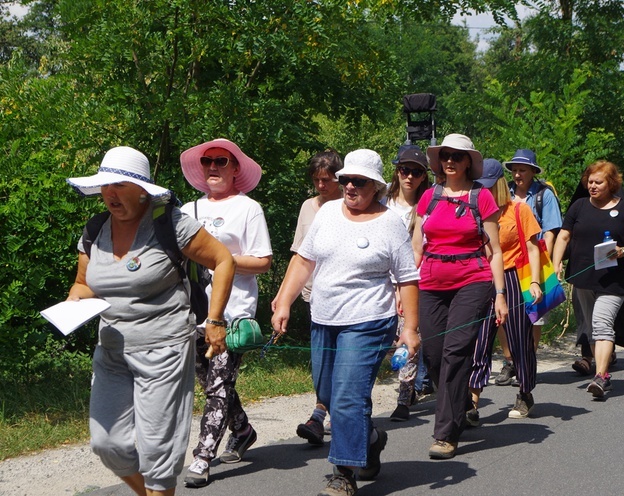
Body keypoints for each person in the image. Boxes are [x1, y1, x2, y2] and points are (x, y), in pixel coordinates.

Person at [66, 146, 235, 496]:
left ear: (142, 190)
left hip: (165, 350)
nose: (110, 193)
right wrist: (71, 304)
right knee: (107, 444)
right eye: (105, 185)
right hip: (112, 351)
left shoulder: (169, 223)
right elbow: (83, 284)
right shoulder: (95, 229)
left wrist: (216, 320)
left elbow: (223, 260)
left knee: (157, 453)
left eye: (120, 185)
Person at [271, 149, 420, 496]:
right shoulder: (325, 213)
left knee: (347, 398)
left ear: (377, 186)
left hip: (368, 321)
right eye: (346, 180)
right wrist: (284, 303)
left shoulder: (389, 224)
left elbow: (408, 278)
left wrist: (409, 329)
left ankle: (344, 474)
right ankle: (368, 439)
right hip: (324, 318)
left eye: (359, 181)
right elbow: (304, 261)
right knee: (327, 393)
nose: (350, 186)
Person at [179, 138, 273, 488]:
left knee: (218, 386)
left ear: (236, 169)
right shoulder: (188, 210)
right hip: (191, 312)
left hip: (231, 313)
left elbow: (263, 261)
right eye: (207, 162)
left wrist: (223, 261)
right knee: (211, 383)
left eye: (221, 161)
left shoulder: (248, 209)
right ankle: (243, 430)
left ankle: (202, 458)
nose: (213, 167)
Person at [414, 134, 508, 459]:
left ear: (468, 161)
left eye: (456, 155)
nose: (450, 161)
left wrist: (500, 294)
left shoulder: (482, 198)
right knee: (435, 354)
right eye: (445, 155)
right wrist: (405, 289)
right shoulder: (428, 197)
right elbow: (416, 245)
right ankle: (461, 403)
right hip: (430, 282)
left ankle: (445, 434)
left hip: (473, 279)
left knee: (456, 351)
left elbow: (496, 252)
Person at [552, 160, 624, 397]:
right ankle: (600, 370)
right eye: (590, 182)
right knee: (592, 327)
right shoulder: (579, 207)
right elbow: (563, 236)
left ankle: (601, 376)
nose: (592, 186)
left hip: (613, 280)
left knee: (602, 324)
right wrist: (555, 264)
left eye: (598, 182)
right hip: (582, 277)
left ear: (611, 183)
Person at [468, 158, 542, 424]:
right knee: (479, 340)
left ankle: (524, 391)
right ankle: (472, 403)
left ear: (499, 184)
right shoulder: (474, 210)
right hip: (482, 277)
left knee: (520, 340)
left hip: (513, 277)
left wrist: (535, 282)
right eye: (480, 186)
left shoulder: (518, 210)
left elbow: (533, 248)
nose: (483, 191)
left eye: (488, 186)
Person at [285, 149, 344, 446]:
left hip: (345, 295)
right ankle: (324, 410)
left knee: (341, 355)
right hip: (314, 294)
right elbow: (298, 251)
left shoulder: (350, 205)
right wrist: (286, 295)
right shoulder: (308, 207)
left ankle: (324, 414)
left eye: (327, 180)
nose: (321, 185)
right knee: (321, 359)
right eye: (316, 179)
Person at [499, 149, 562, 386]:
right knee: (502, 315)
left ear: (533, 172)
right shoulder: (505, 193)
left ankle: (527, 360)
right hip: (508, 262)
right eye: (514, 170)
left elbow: (551, 231)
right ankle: (509, 361)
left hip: (535, 260)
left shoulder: (543, 195)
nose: (517, 174)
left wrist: (553, 263)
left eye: (522, 170)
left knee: (534, 314)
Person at [384, 144, 432, 422]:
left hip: (411, 281)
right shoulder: (382, 203)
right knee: (384, 341)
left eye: (416, 172)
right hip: (379, 281)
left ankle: (405, 394)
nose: (410, 176)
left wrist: (405, 285)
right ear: (397, 172)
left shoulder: (426, 207)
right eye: (405, 170)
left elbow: (421, 249)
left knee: (408, 338)